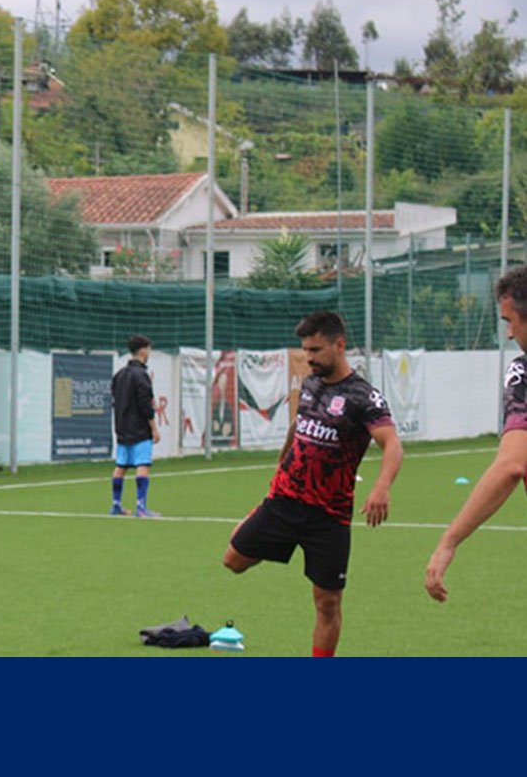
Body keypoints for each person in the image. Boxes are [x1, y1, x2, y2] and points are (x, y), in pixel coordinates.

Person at [222, 311, 403, 657]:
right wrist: (282, 464)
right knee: (232, 560)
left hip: (329, 517)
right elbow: (298, 424)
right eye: (306, 350)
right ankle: (262, 515)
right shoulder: (310, 383)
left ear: (340, 345)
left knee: (328, 603)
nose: (309, 358)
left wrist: (382, 487)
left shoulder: (364, 397)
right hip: (284, 501)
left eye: (316, 350)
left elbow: (392, 444)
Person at [426, 266, 527, 605]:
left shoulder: (522, 374)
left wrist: (449, 541)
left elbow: (512, 465)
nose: (509, 334)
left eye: (508, 321)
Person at [110, 335, 160, 517]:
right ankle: (141, 507)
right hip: (139, 428)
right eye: (148, 349)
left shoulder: (119, 375)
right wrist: (154, 428)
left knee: (121, 465)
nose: (149, 353)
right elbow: (146, 405)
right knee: (142, 464)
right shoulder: (141, 375)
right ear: (143, 350)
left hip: (122, 427)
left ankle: (116, 504)